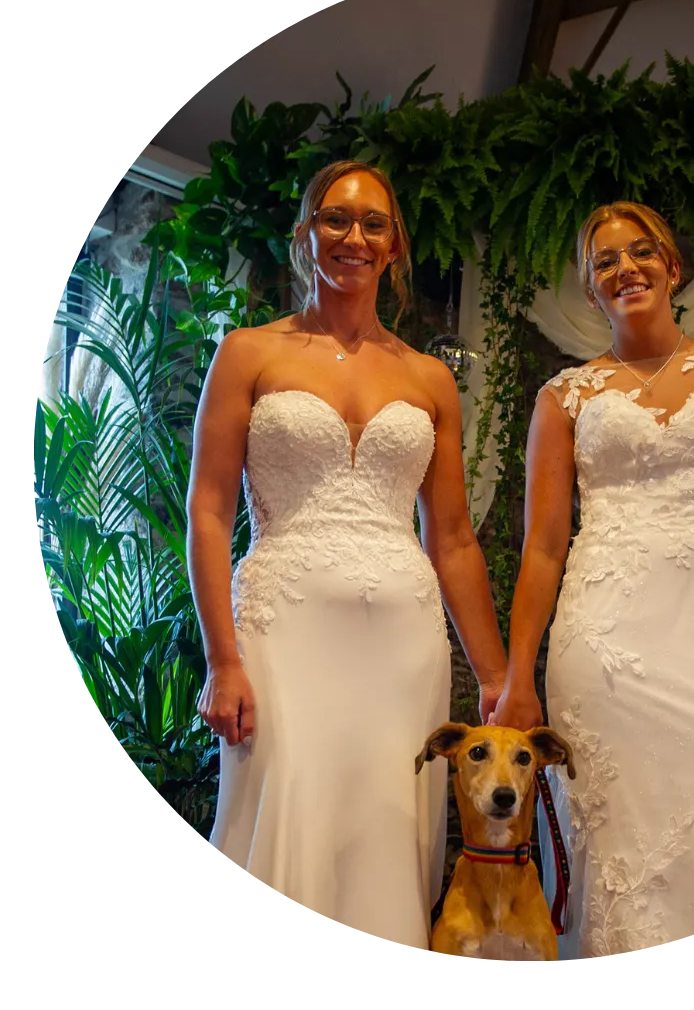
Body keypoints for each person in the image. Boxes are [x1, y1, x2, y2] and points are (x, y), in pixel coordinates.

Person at [186, 159, 507, 949]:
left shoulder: (430, 378)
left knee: (385, 834)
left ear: (394, 245)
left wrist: (498, 675)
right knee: (286, 815)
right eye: (335, 219)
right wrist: (222, 660)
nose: (353, 237)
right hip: (282, 633)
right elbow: (208, 509)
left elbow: (455, 537)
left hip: (403, 647)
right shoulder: (248, 354)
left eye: (372, 223)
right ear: (307, 235)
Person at [494, 202, 694, 958]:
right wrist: (518, 674)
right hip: (604, 655)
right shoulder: (564, 398)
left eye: (640, 253)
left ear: (674, 267)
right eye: (605, 261)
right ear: (589, 288)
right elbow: (542, 547)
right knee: (622, 853)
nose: (625, 269)